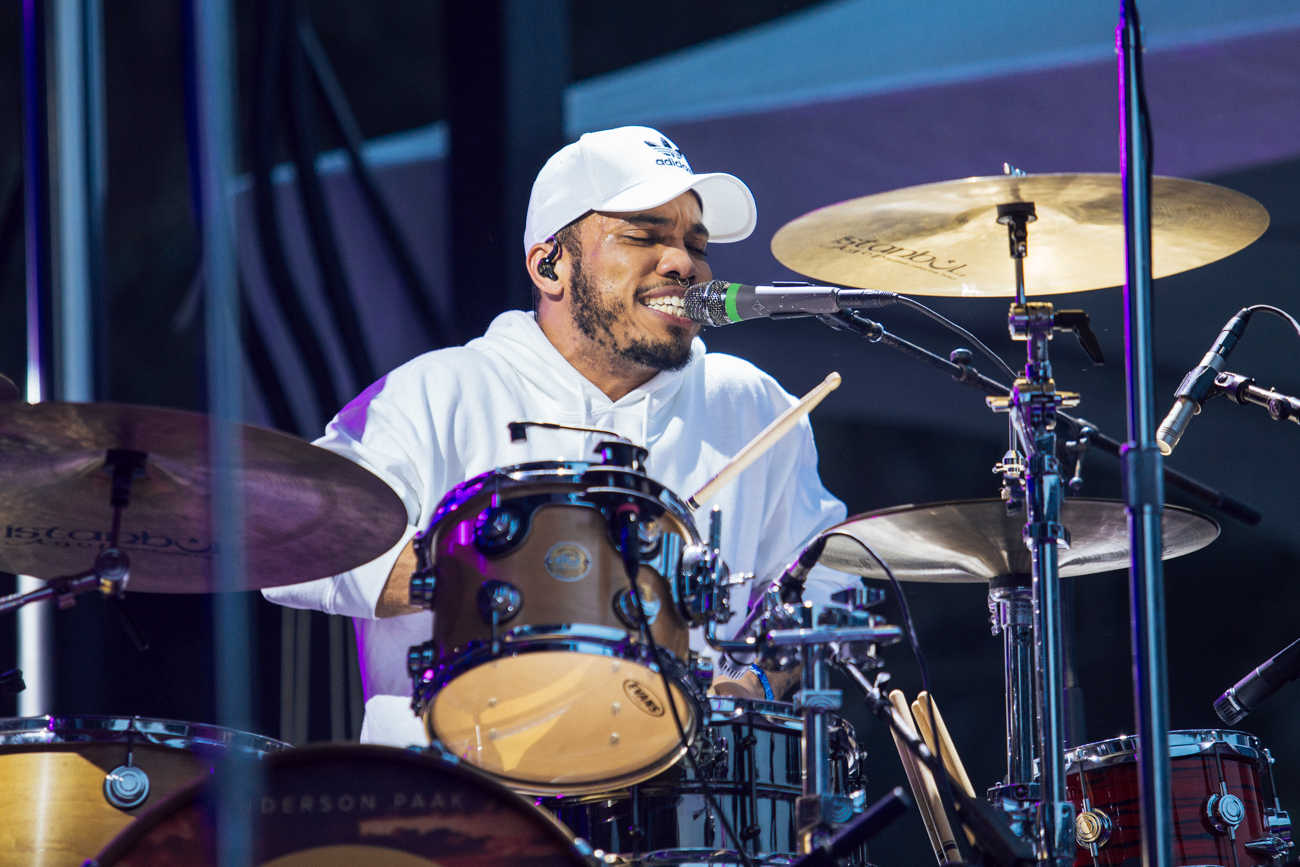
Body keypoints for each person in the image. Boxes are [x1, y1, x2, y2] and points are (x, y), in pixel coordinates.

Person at [264, 125, 854, 746]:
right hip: (456, 809)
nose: (684, 262)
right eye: (644, 236)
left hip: (690, 823)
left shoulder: (752, 404)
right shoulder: (438, 393)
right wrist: (494, 572)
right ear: (551, 264)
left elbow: (830, 574)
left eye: (695, 244)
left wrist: (753, 680)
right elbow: (287, 539)